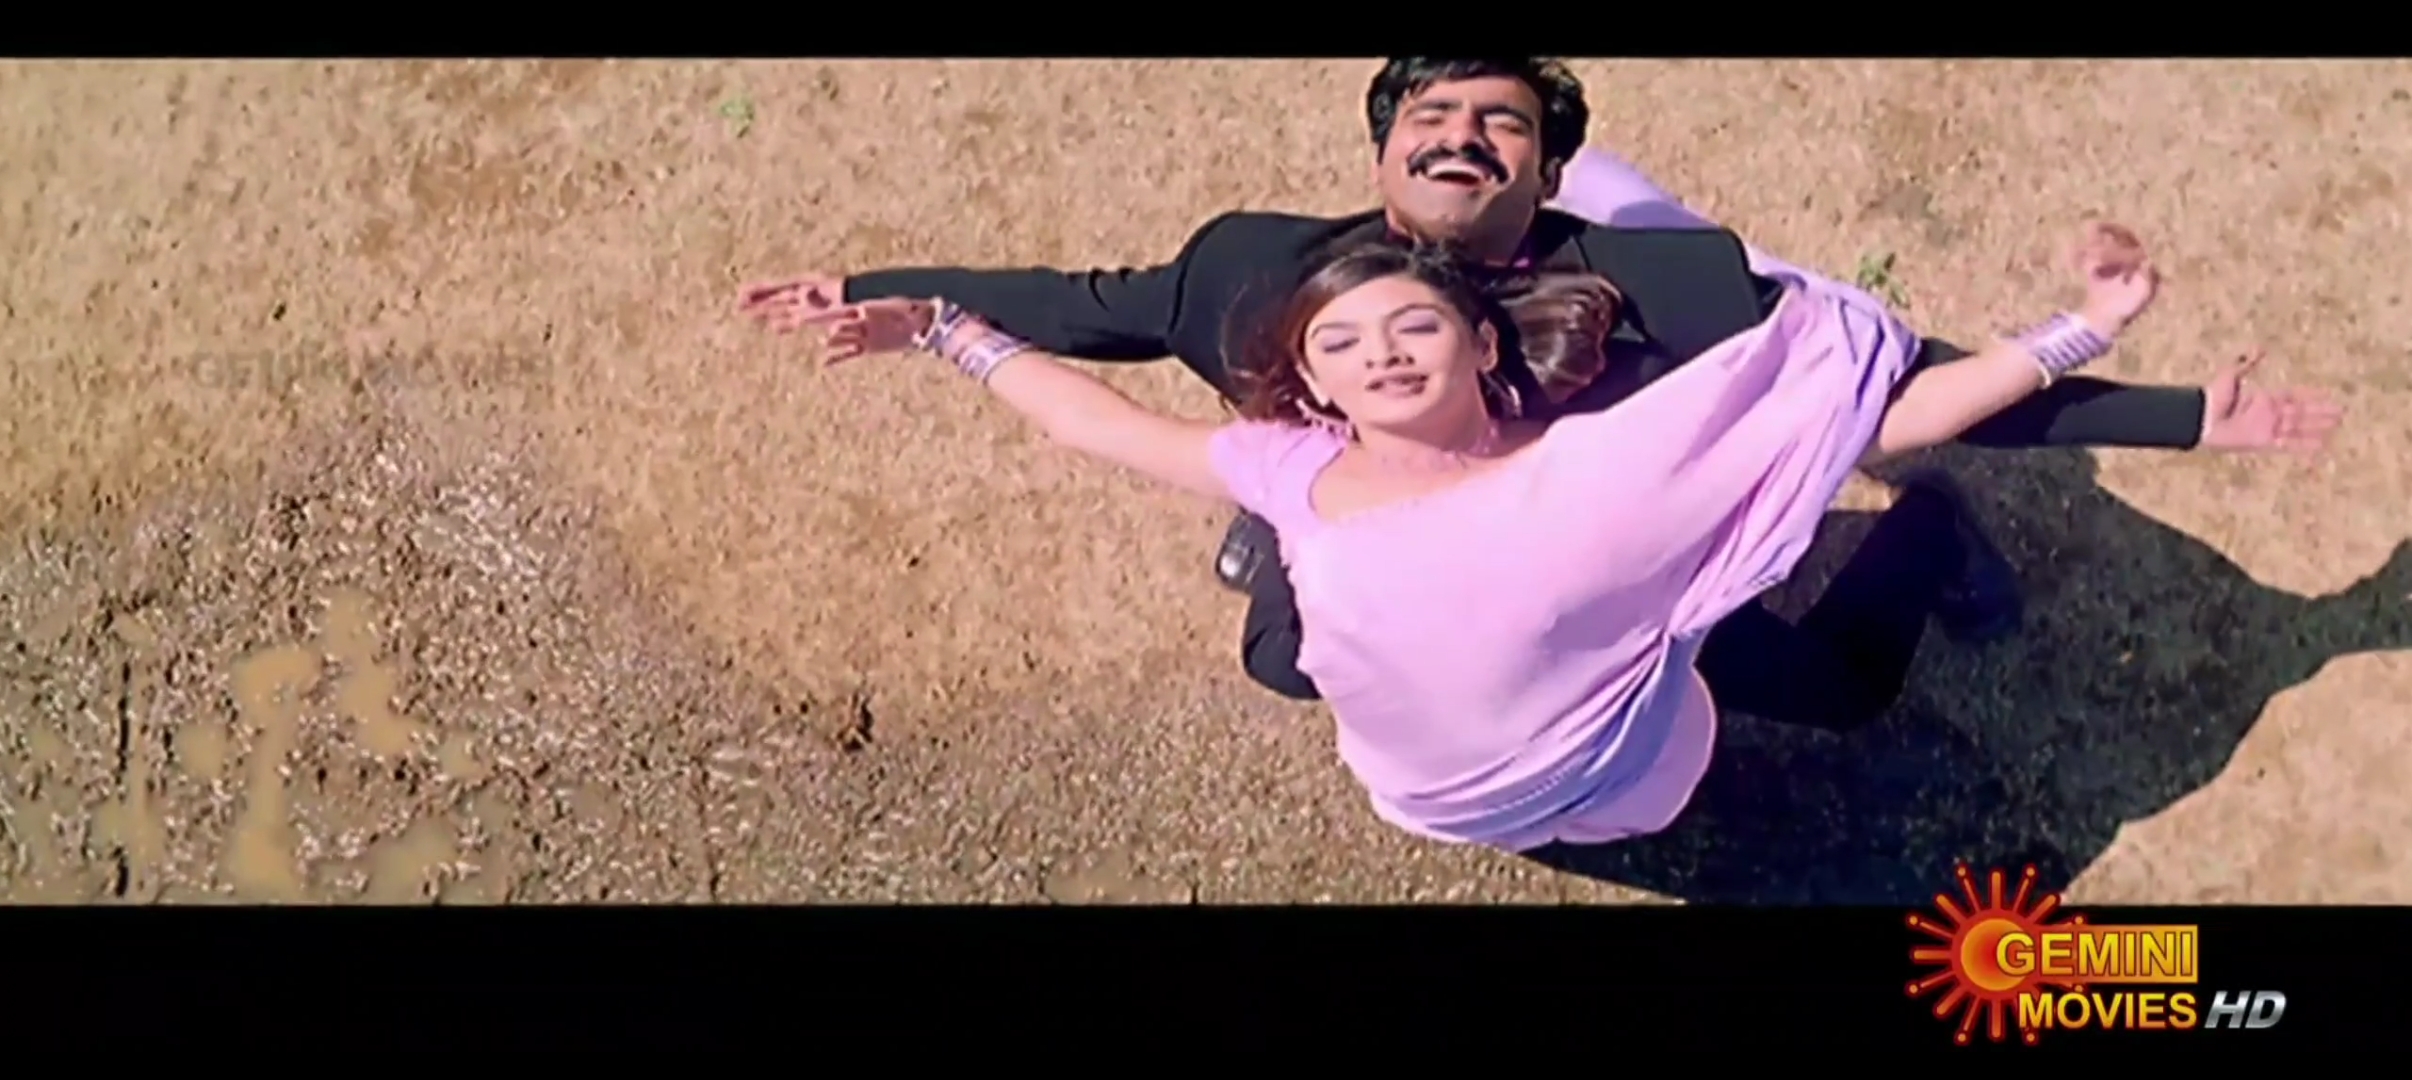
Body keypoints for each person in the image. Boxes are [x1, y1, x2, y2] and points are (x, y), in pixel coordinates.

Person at [739, 57, 2341, 725]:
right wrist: (898, 295)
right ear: (1383, 149)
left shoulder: (1679, 290)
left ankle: (1919, 546)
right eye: (1430, 114)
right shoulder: (1249, 271)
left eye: (1502, 123)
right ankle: (1295, 528)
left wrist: (2180, 412)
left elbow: (1905, 391)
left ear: (1550, 172)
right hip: (1386, 537)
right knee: (1287, 658)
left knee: (1836, 695)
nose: (1460, 134)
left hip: (1629, 587)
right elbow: (1091, 316)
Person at [764, 219, 2159, 853]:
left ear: (1480, 342)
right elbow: (1094, 424)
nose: (1378, 353)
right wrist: (940, 327)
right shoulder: (1289, 465)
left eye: (1411, 325)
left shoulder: (1601, 460)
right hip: (1439, 796)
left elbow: (1874, 424)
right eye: (1341, 343)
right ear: (1313, 386)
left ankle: (1927, 545)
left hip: (1625, 727)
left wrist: (2079, 330)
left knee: (1839, 694)